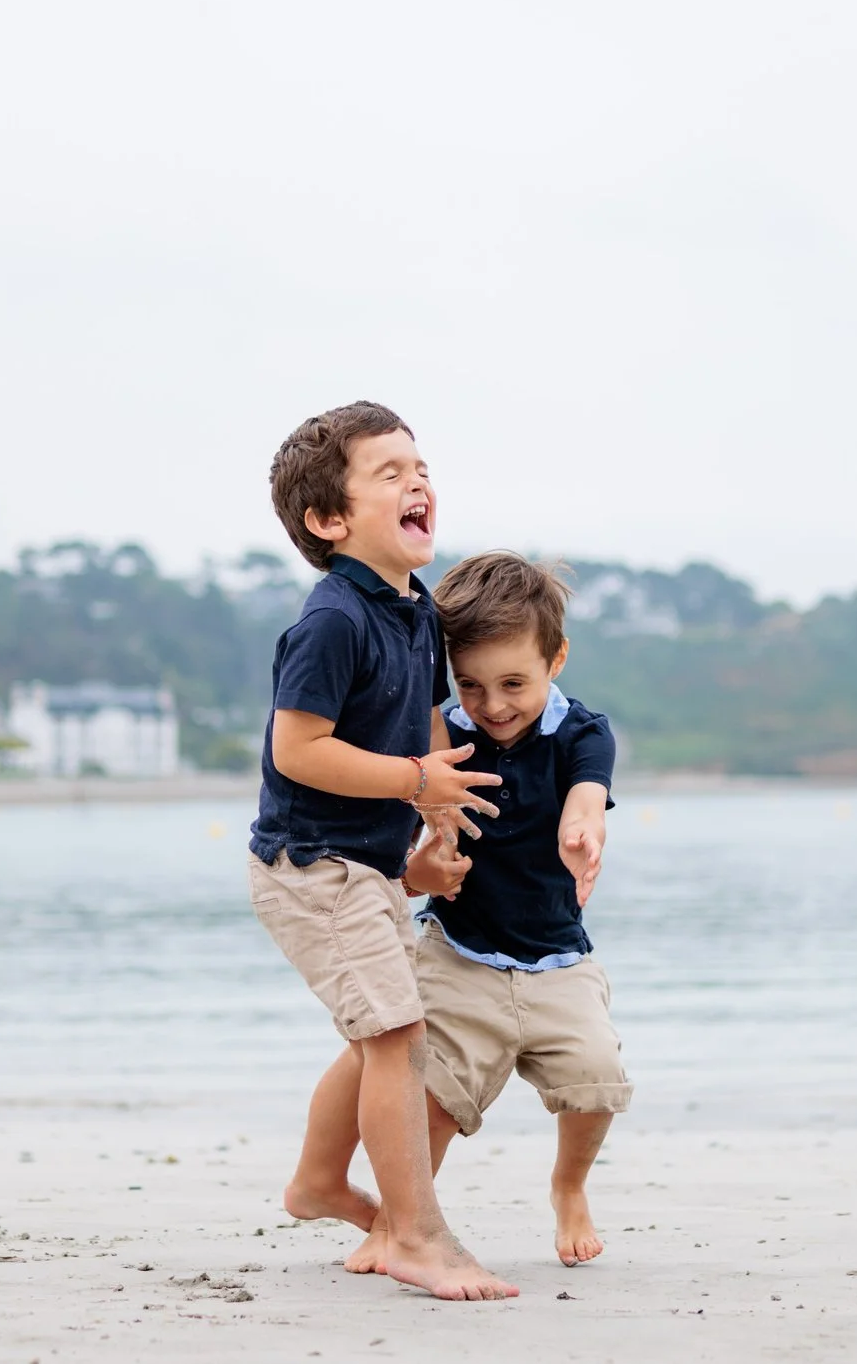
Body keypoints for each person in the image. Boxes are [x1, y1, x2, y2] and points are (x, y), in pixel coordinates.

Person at [247, 401, 519, 1301]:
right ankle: (415, 1235)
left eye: (422, 466)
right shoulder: (331, 621)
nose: (419, 483)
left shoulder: (413, 612)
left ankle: (321, 1185)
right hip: (311, 863)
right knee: (397, 1032)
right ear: (331, 521)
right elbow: (301, 750)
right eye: (391, 473)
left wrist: (433, 840)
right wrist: (414, 781)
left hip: (363, 862)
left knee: (381, 1035)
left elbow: (431, 727)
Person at [343, 552, 629, 1272]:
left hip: (559, 958)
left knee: (595, 1082)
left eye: (513, 683)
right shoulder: (436, 737)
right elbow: (405, 861)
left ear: (555, 658)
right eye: (470, 684)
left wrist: (583, 825)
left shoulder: (581, 733)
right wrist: (421, 869)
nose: (492, 704)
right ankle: (401, 1221)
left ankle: (568, 1186)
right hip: (458, 953)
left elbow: (589, 793)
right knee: (431, 1101)